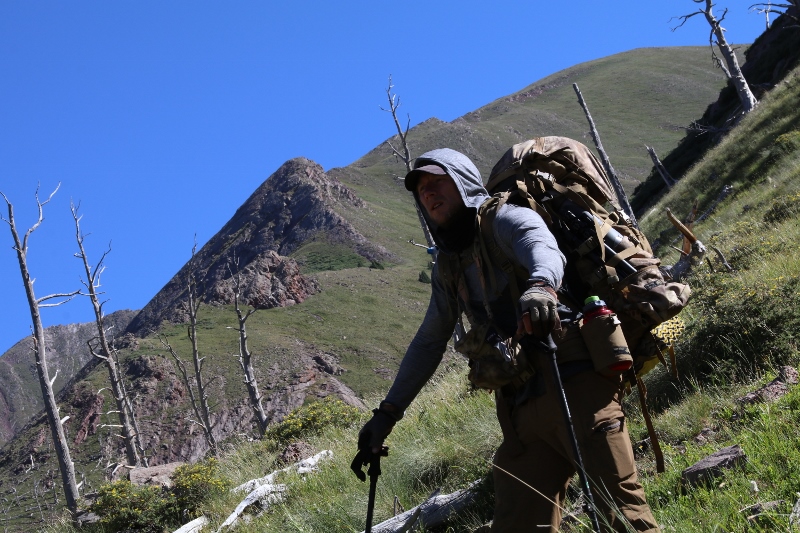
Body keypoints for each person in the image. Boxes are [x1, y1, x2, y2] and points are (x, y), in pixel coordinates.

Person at [355, 147, 659, 532]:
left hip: (573, 381)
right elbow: (429, 341)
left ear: (463, 183)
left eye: (437, 182)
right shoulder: (449, 264)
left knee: (621, 513)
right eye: (422, 190)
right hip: (519, 409)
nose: (429, 193)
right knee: (518, 523)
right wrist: (387, 414)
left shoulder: (503, 217)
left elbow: (542, 246)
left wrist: (541, 286)